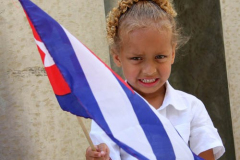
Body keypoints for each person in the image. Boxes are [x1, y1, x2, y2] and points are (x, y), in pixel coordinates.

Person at [85, 0, 225, 159]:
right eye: (137, 58)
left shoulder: (191, 108)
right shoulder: (107, 114)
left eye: (160, 57)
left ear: (172, 53)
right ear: (117, 57)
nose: (150, 70)